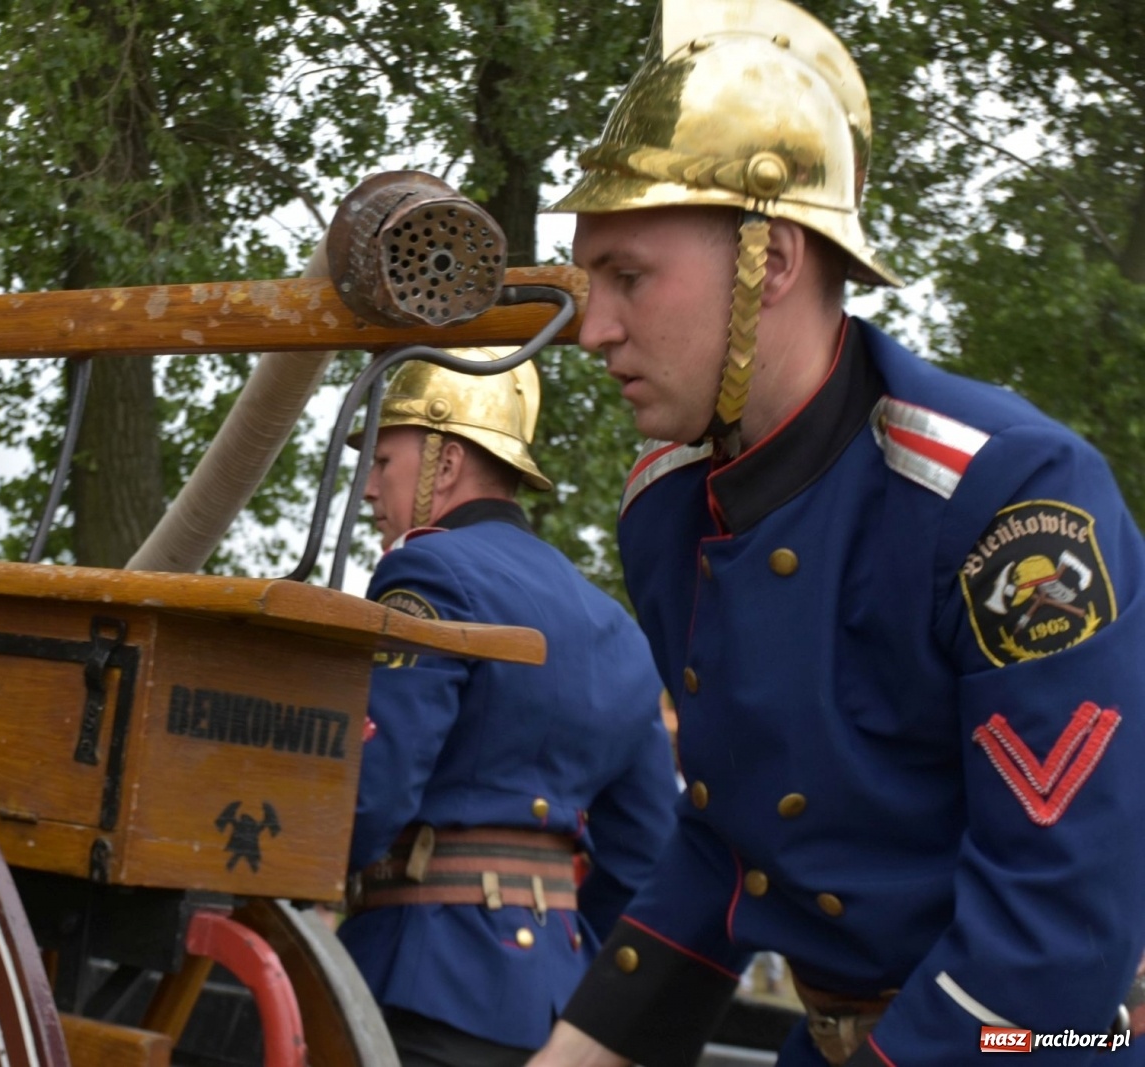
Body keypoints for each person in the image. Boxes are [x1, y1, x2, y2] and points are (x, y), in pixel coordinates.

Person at [526, 2, 1145, 1066]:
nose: (592, 329)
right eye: (589, 282)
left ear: (771, 260)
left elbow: (1057, 940)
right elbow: (732, 849)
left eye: (628, 276)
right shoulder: (666, 507)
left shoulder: (1011, 501)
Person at [337, 347, 679, 1067]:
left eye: (383, 461)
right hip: (553, 1004)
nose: (368, 487)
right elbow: (644, 856)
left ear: (447, 460)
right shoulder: (614, 625)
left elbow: (370, 796)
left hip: (418, 981)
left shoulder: (422, 569)